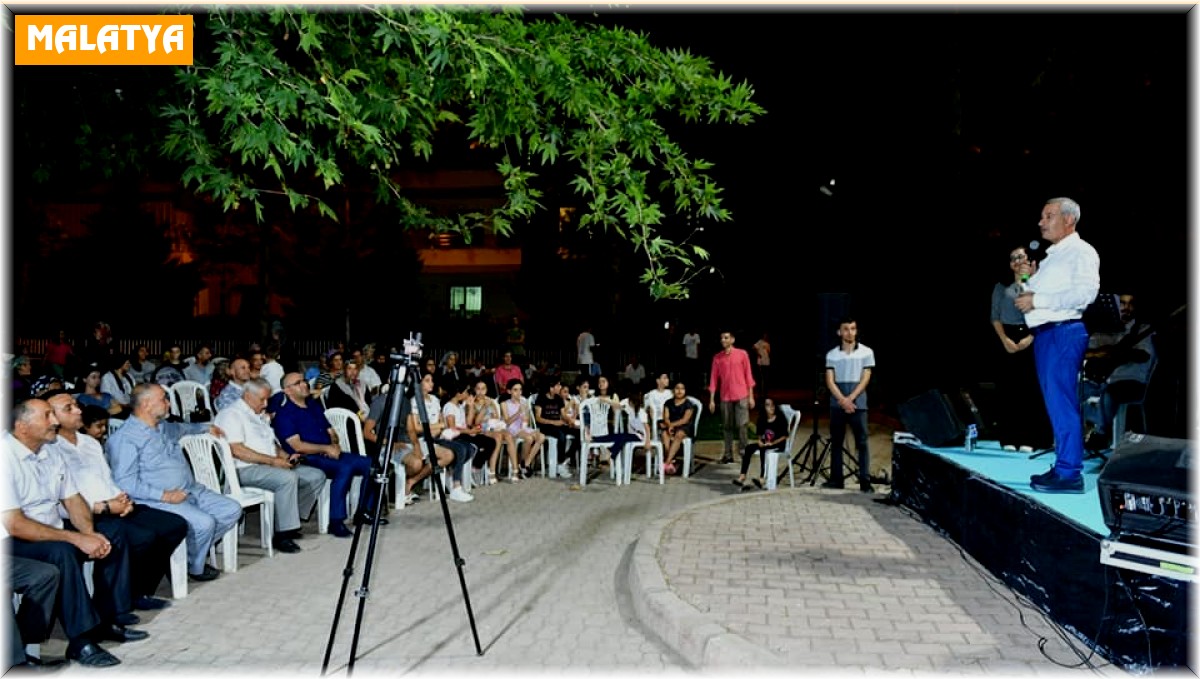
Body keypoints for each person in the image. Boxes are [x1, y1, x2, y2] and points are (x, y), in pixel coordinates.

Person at [3, 398, 145, 667]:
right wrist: (76, 538)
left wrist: (89, 534)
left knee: (111, 534)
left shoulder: (49, 449)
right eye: (47, 416)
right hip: (12, 539)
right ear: (22, 427)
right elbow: (14, 524)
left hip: (49, 528)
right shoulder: (5, 456)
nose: (55, 421)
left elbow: (72, 498)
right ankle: (81, 640)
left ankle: (106, 618)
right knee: (63, 551)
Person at [44, 391, 188, 611]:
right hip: (85, 514)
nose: (79, 410)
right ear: (50, 416)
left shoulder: (89, 443)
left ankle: (136, 590)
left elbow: (106, 478)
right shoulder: (49, 449)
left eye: (76, 405)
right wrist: (106, 506)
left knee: (173, 525)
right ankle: (110, 606)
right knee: (138, 537)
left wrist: (123, 498)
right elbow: (60, 500)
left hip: (113, 504)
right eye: (69, 408)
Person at [105, 384, 242, 582]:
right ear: (146, 405)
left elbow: (183, 428)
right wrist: (165, 496)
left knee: (231, 510)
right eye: (163, 399)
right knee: (204, 523)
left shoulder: (162, 426)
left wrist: (205, 427)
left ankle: (185, 556)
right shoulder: (125, 439)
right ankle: (193, 566)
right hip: (158, 499)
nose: (169, 403)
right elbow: (125, 482)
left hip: (191, 490)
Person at [1014, 197, 1100, 494]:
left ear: (1069, 220)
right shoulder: (1052, 258)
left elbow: (1085, 294)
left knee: (1062, 403)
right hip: (1046, 334)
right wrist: (1024, 277)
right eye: (1041, 216)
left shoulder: (1081, 252)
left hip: (1064, 333)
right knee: (1055, 403)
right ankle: (1064, 465)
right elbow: (1025, 302)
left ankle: (1069, 473)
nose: (1041, 222)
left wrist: (1039, 299)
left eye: (1048, 216)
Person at [214, 379, 326, 553]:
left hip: (266, 464)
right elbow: (236, 450)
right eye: (262, 400)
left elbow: (271, 445)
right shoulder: (231, 414)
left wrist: (287, 457)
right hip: (242, 469)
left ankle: (291, 519)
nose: (265, 404)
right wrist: (273, 462)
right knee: (287, 478)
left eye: (267, 399)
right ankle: (283, 534)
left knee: (315, 475)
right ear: (248, 395)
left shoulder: (257, 414)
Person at [271, 372, 373, 536]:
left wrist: (334, 443)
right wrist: (325, 449)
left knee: (372, 465)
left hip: (327, 453)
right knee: (345, 468)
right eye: (298, 383)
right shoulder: (285, 414)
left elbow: (331, 431)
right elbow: (297, 446)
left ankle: (363, 511)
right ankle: (336, 521)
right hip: (307, 458)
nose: (304, 384)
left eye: (304, 381)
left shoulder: (313, 406)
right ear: (288, 390)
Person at [990, 245, 1052, 452]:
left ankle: (1031, 438)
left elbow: (1045, 314)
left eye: (1021, 258)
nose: (1017, 262)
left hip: (1032, 335)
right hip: (1007, 338)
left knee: (1030, 390)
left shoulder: (1037, 286)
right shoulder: (1001, 287)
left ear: (1029, 261)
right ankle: (1009, 437)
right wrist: (1004, 340)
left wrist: (1030, 338)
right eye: (1013, 258)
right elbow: (995, 316)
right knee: (1008, 389)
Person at [824, 317, 875, 492]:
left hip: (858, 402)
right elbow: (830, 381)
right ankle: (836, 479)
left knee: (862, 442)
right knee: (836, 441)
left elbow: (866, 377)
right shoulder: (831, 354)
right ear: (839, 332)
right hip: (838, 403)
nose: (850, 332)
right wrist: (843, 400)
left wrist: (851, 398)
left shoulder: (866, 352)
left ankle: (865, 482)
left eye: (853, 329)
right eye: (846, 329)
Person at [408, 373, 475, 502]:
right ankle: (456, 487)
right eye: (427, 380)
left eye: (432, 380)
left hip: (438, 436)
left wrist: (440, 428)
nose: (431, 383)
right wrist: (439, 426)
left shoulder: (434, 399)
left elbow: (441, 420)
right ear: (418, 383)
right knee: (457, 451)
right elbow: (417, 427)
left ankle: (451, 476)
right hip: (423, 439)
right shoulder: (415, 400)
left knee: (468, 448)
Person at [708, 330, 755, 465]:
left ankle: (744, 452)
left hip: (741, 396)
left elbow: (748, 375)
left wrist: (751, 396)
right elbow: (713, 379)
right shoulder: (717, 358)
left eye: (726, 337)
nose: (723, 340)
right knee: (727, 427)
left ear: (732, 340)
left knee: (742, 425)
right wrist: (712, 400)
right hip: (725, 397)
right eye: (721, 337)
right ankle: (728, 454)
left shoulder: (742, 354)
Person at [733, 397, 789, 491]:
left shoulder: (780, 418)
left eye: (772, 405)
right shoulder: (762, 419)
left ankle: (762, 478)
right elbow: (759, 434)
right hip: (766, 442)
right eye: (768, 405)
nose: (771, 407)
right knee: (749, 448)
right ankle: (742, 476)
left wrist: (772, 443)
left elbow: (785, 435)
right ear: (764, 407)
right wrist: (759, 440)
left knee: (763, 448)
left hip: (778, 443)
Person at [534, 379, 577, 479]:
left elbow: (562, 414)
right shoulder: (541, 398)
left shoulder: (558, 398)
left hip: (559, 424)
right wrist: (554, 422)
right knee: (561, 436)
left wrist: (570, 420)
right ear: (551, 388)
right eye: (557, 386)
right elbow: (538, 418)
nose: (560, 388)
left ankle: (566, 456)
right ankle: (560, 464)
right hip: (546, 426)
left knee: (578, 433)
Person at [503, 380, 545, 480]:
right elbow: (507, 422)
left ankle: (525, 463)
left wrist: (524, 419)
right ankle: (523, 465)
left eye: (520, 390)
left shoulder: (524, 401)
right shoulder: (505, 403)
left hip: (522, 427)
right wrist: (518, 413)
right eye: (515, 390)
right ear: (509, 391)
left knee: (542, 437)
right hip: (511, 427)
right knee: (529, 439)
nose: (518, 392)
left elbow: (527, 419)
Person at [659, 382, 694, 476]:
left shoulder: (688, 404)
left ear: (685, 391)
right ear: (673, 390)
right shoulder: (668, 403)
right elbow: (666, 417)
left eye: (682, 389)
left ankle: (666, 462)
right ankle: (671, 462)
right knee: (664, 434)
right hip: (670, 424)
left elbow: (685, 420)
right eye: (677, 388)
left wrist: (671, 425)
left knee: (679, 435)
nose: (679, 391)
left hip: (684, 426)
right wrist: (669, 425)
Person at [753, 332, 772, 402]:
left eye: (766, 336)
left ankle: (765, 393)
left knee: (766, 378)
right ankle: (760, 393)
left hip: (767, 362)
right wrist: (758, 353)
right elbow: (753, 347)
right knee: (761, 378)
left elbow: (769, 353)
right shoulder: (760, 342)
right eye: (764, 336)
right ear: (763, 336)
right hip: (761, 363)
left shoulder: (768, 344)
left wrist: (766, 351)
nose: (765, 337)